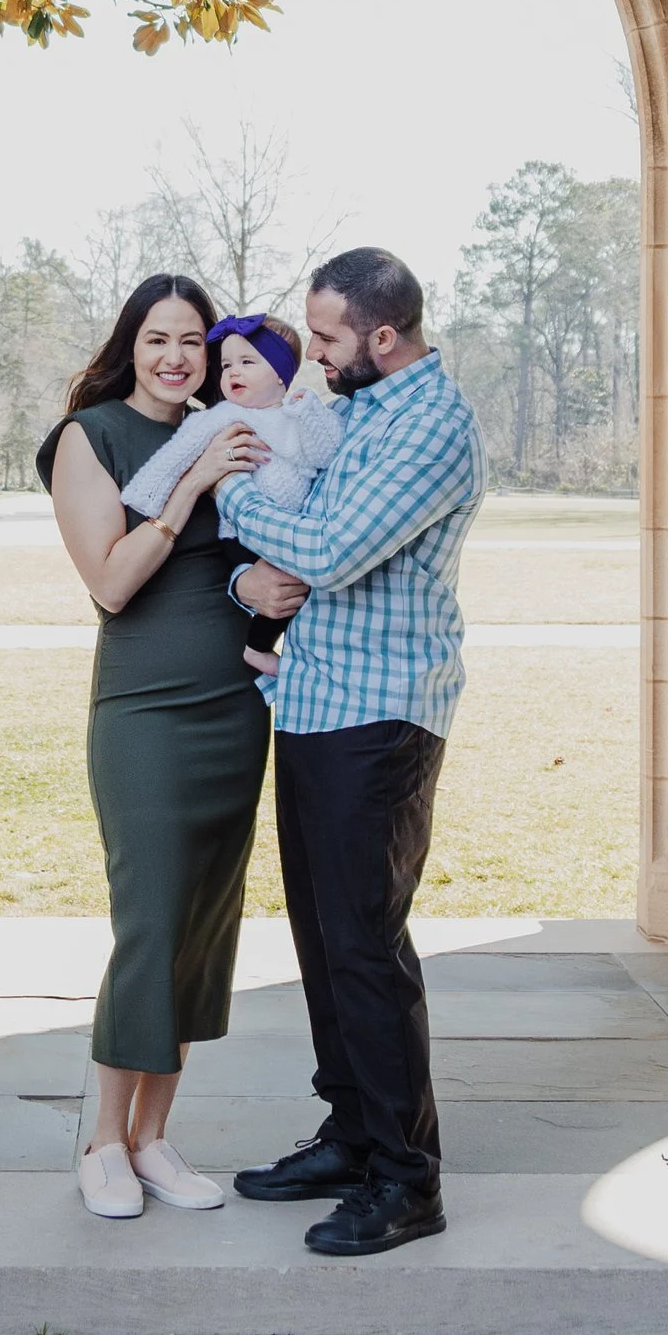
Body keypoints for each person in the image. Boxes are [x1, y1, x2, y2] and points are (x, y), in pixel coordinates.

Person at [213, 246, 485, 1259]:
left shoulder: (429, 422)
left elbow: (324, 550)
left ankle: (408, 1180)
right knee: (325, 942)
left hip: (381, 718)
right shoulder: (360, 408)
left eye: (326, 335)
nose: (312, 352)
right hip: (315, 702)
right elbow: (314, 513)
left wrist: (230, 489)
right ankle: (351, 1132)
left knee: (367, 947)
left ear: (381, 334)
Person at [37, 275, 270, 1223]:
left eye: (193, 341)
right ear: (130, 344)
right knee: (149, 920)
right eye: (157, 338)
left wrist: (267, 582)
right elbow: (113, 581)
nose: (176, 357)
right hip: (145, 709)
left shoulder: (226, 425)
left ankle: (155, 1139)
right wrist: (190, 489)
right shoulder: (91, 438)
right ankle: (102, 1142)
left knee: (204, 926)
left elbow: (265, 540)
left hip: (236, 704)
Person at [118, 315, 346, 686]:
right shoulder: (224, 416)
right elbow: (178, 453)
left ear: (279, 374)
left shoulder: (298, 415)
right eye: (225, 365)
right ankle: (257, 650)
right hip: (242, 534)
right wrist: (145, 496)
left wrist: (308, 411)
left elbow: (325, 454)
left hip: (293, 532)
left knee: (298, 588)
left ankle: (287, 655)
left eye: (246, 362)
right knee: (280, 585)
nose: (232, 373)